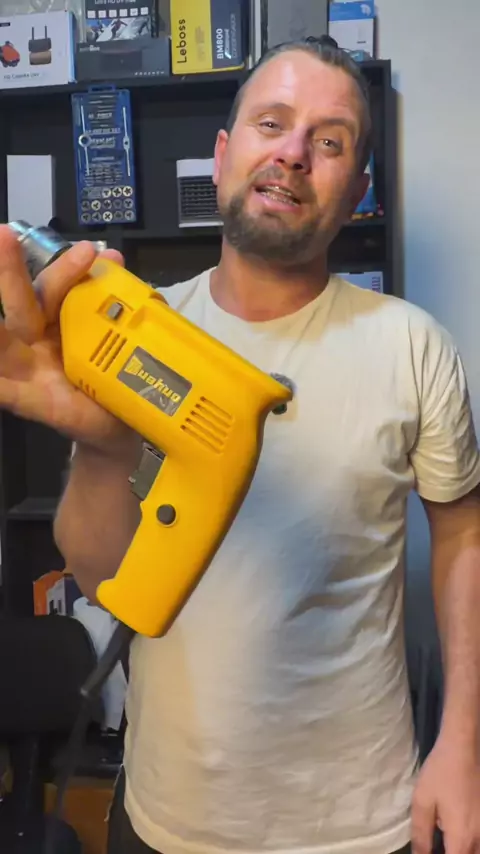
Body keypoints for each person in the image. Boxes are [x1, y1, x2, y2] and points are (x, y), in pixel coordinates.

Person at [0, 37, 479, 854]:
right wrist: (107, 447)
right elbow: (103, 578)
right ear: (223, 156)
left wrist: (461, 743)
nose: (293, 153)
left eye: (330, 141)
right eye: (271, 123)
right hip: (170, 813)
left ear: (358, 189)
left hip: (359, 822)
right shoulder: (140, 336)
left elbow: (463, 537)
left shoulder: (414, 346)